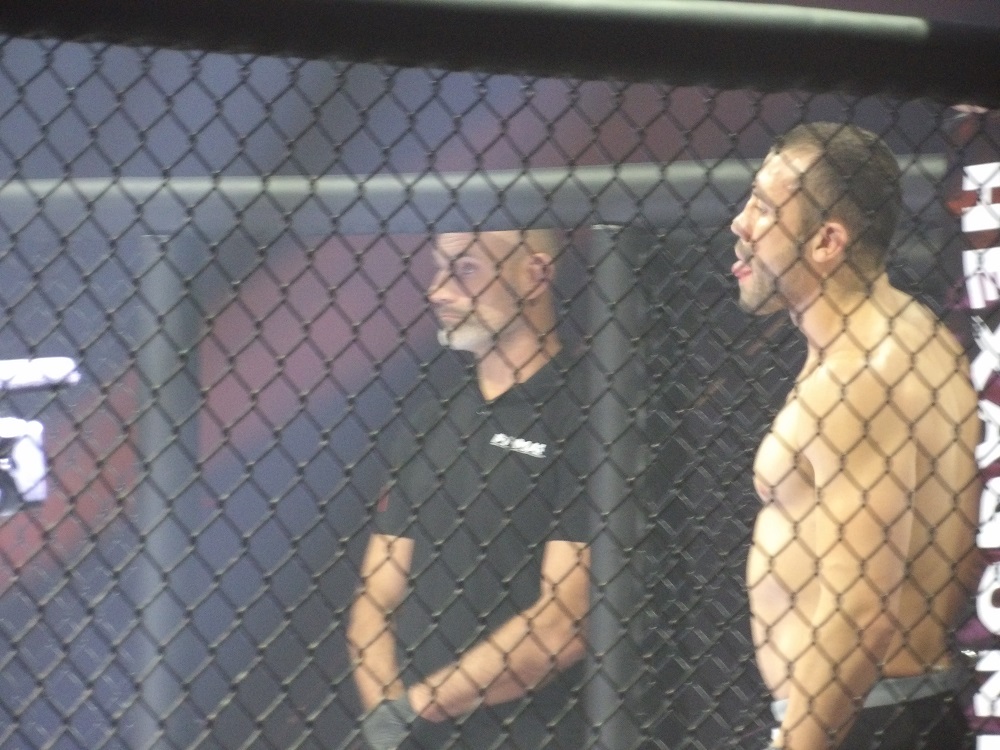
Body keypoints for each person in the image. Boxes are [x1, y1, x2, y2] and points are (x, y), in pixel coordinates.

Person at [731, 122, 983, 750]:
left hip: (860, 723)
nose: (740, 223)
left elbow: (862, 610)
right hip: (895, 712)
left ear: (827, 241)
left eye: (762, 208)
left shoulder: (854, 378)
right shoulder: (919, 334)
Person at [347, 229, 591, 749]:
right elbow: (376, 596)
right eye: (439, 268)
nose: (438, 290)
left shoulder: (586, 416)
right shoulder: (429, 421)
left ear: (535, 276)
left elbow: (564, 624)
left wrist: (415, 709)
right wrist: (392, 721)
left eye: (465, 269)